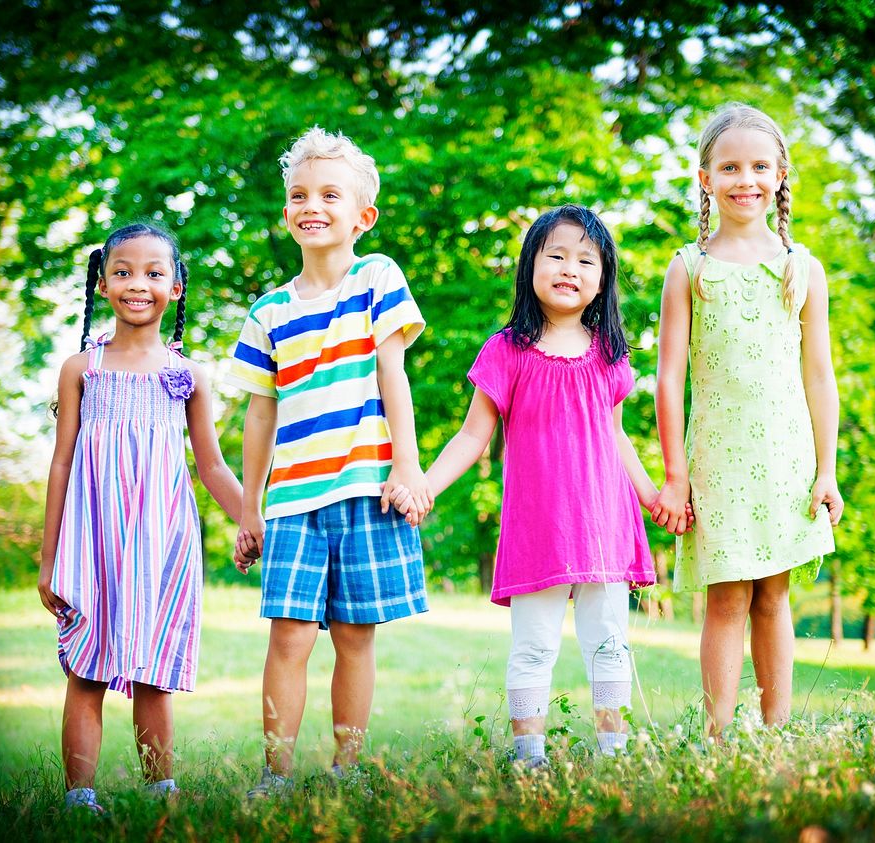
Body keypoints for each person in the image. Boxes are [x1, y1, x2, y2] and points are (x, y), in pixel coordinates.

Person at [391, 204, 686, 769]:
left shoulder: (609, 353)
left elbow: (616, 436)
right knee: (534, 645)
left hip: (604, 523)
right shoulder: (506, 350)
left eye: (585, 259)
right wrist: (425, 485)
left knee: (608, 641)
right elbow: (473, 435)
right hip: (537, 526)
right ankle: (529, 756)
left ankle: (613, 751)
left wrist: (652, 495)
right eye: (555, 255)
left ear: (603, 278)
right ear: (531, 265)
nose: (568, 268)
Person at [228, 126, 430, 796]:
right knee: (288, 637)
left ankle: (347, 769)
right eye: (299, 194)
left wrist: (408, 466)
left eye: (329, 194)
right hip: (291, 501)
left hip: (365, 487)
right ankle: (276, 773)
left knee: (354, 635)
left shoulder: (377, 277)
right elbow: (260, 414)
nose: (312, 204)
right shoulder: (267, 311)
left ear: (361, 216)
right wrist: (249, 507)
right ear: (286, 211)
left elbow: (390, 372)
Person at [37, 222, 249, 812]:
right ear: (102, 283)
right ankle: (79, 797)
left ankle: (161, 791)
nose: (138, 284)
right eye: (123, 272)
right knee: (87, 670)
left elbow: (211, 467)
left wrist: (251, 521)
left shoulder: (189, 375)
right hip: (91, 541)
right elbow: (60, 464)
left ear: (177, 287)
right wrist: (50, 558)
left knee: (154, 673)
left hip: (162, 541)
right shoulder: (83, 368)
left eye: (155, 273)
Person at [654, 103, 844, 739]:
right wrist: (675, 477)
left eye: (761, 166)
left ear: (781, 174)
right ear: (705, 177)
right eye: (730, 167)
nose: (746, 180)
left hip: (787, 463)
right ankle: (717, 738)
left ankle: (776, 732)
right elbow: (669, 379)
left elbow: (819, 375)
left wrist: (828, 471)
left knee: (774, 597)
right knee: (728, 597)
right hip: (718, 462)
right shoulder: (690, 268)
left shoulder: (803, 269)